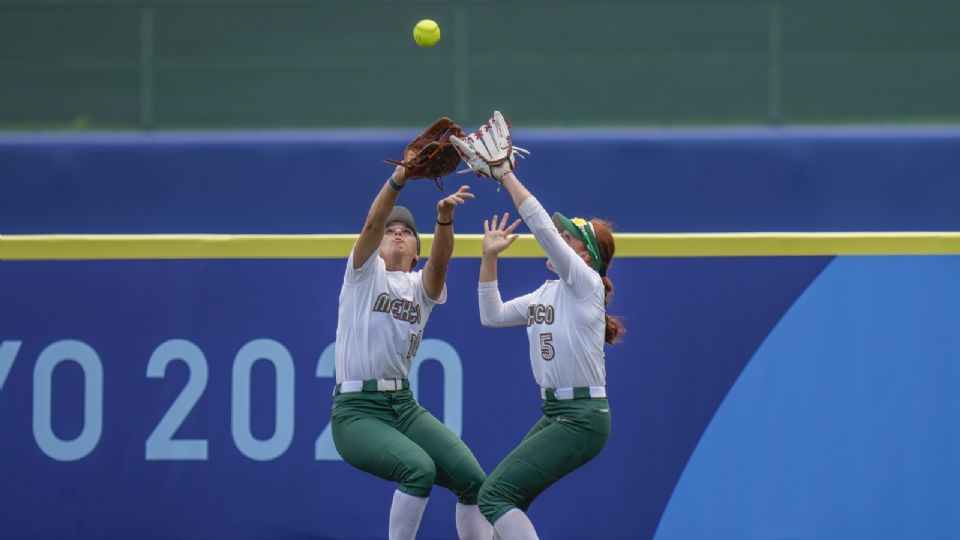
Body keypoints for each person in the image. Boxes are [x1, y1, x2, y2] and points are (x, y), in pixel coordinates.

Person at [452, 112, 624, 540]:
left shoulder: (584, 284)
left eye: (570, 239)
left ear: (585, 256)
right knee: (502, 501)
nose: (559, 240)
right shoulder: (547, 294)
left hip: (581, 417)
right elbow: (491, 316)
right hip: (557, 413)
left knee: (494, 497)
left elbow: (542, 228)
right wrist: (489, 257)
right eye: (563, 236)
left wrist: (507, 175)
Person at [331, 154, 491, 540]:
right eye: (391, 231)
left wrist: (444, 220)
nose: (397, 233)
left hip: (402, 405)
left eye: (406, 231)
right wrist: (398, 178)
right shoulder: (363, 275)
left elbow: (440, 263)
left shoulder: (421, 288)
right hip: (356, 412)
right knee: (417, 469)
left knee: (474, 481)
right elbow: (372, 222)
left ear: (417, 250)